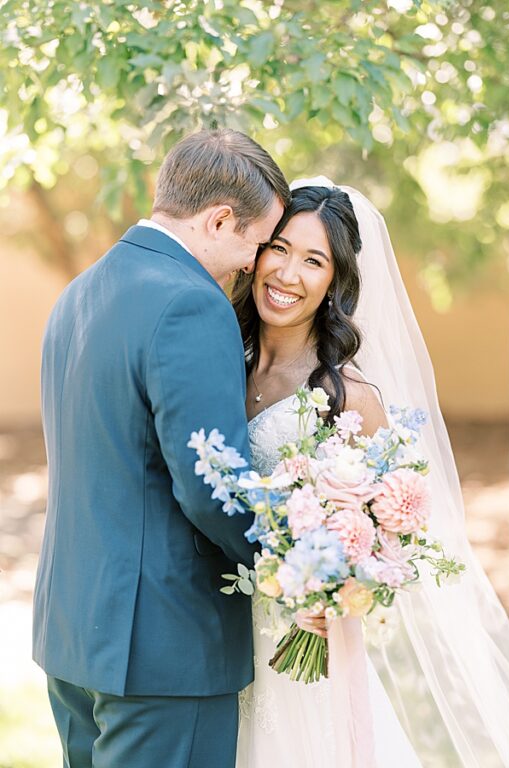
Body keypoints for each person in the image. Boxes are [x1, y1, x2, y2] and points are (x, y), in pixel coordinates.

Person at [231, 178, 509, 766]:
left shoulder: (347, 397)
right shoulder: (221, 356)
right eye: (279, 248)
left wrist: (336, 596)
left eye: (314, 261)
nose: (287, 273)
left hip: (298, 638)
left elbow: (392, 536)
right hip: (214, 632)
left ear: (337, 282)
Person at [33, 128, 289, 767]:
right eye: (255, 245)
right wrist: (295, 568)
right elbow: (213, 489)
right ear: (221, 219)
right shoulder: (191, 304)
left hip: (74, 633)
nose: (253, 267)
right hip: (166, 651)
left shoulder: (78, 295)